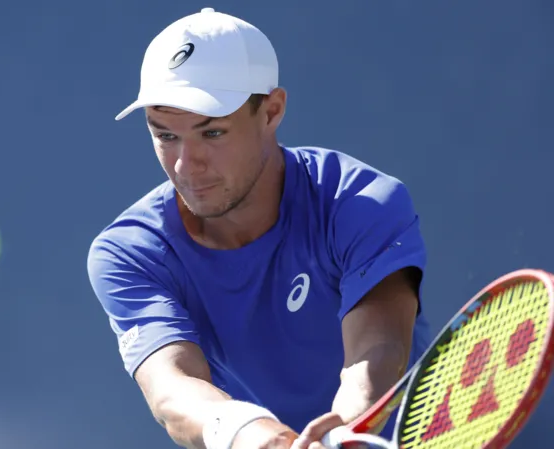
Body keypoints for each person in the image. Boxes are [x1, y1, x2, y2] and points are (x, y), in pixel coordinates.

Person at [87, 7, 432, 449]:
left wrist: (346, 429)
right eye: (165, 135)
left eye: (211, 134)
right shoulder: (129, 253)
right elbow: (172, 389)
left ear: (271, 111)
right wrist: (259, 439)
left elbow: (377, 350)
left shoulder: (359, 202)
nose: (185, 165)